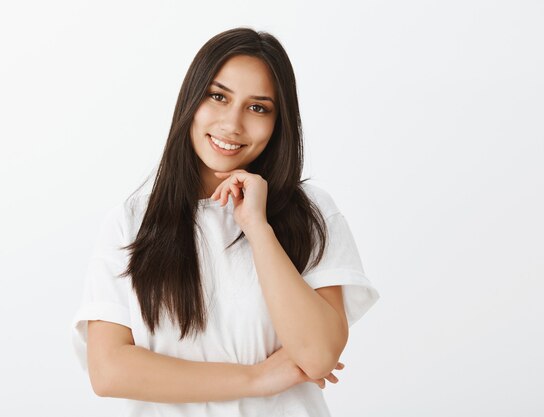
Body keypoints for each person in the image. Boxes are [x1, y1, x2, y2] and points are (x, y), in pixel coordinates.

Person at [70, 27, 380, 417]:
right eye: (218, 97)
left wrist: (257, 227)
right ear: (191, 100)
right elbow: (109, 371)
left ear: (278, 123)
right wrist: (258, 378)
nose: (232, 124)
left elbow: (317, 356)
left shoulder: (311, 213)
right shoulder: (132, 222)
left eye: (258, 107)